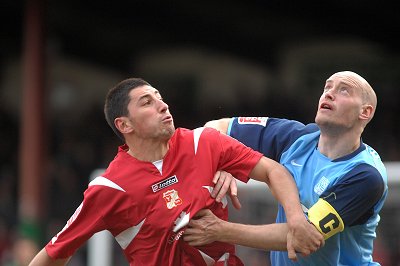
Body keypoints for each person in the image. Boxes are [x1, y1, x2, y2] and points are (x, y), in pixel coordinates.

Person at [28, 78, 322, 266]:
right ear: (124, 125)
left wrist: (296, 218)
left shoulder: (203, 142)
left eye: (159, 97)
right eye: (147, 102)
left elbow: (274, 171)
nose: (162, 105)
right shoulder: (109, 188)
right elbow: (56, 252)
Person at [184, 71, 388, 265]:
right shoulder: (295, 137)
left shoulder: (365, 176)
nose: (329, 93)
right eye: (327, 87)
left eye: (344, 90)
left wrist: (219, 230)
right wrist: (224, 160)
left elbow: (301, 238)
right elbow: (214, 127)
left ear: (365, 112)